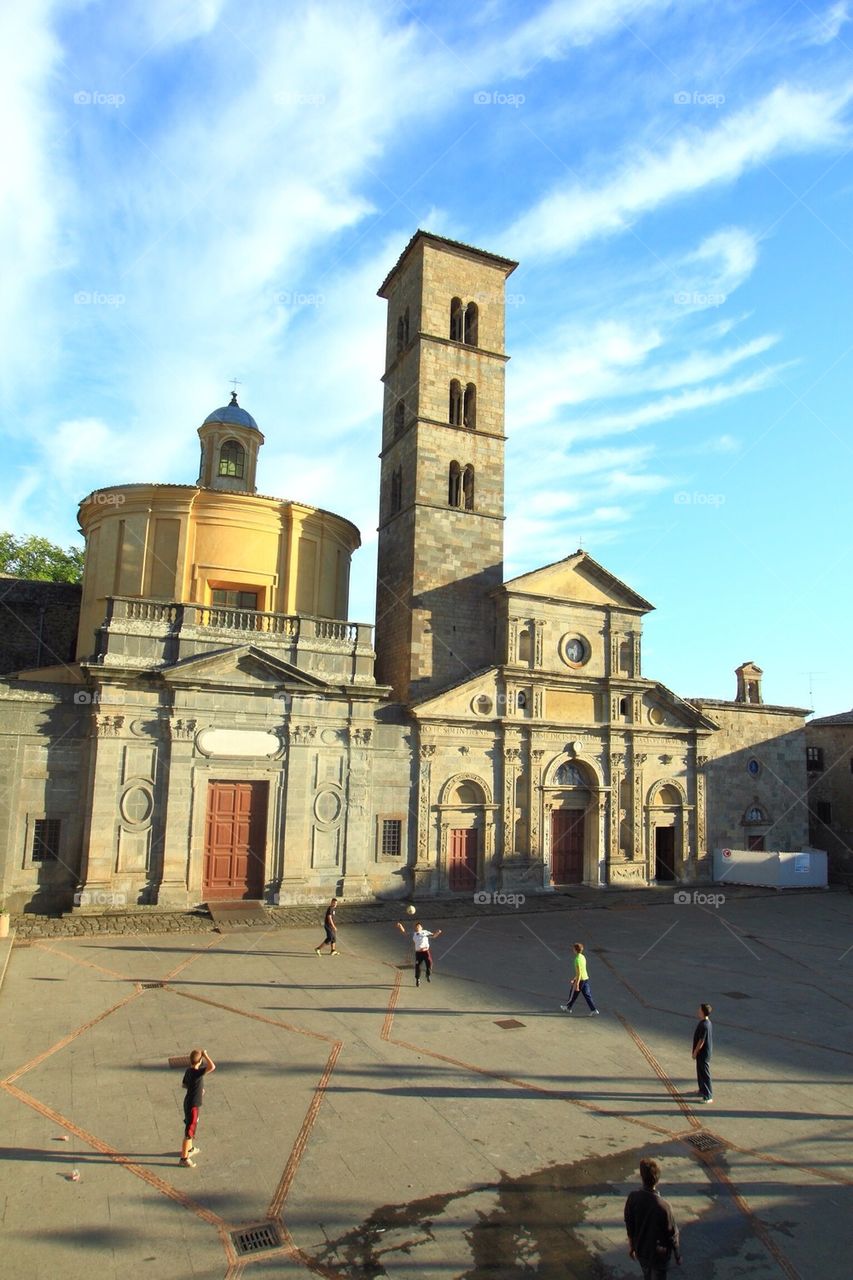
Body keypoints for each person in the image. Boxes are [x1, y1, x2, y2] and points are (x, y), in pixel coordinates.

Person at [624, 1157, 682, 1278]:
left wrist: (632, 1246)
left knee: (647, 1274)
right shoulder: (664, 1206)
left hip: (642, 1251)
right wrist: (677, 1256)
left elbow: (629, 1224)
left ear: (642, 1177)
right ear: (657, 1181)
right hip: (659, 1255)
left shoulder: (633, 1198)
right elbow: (672, 1235)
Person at [179, 1047, 215, 1168]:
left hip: (189, 1102)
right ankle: (184, 1159)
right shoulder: (197, 1072)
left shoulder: (188, 1071)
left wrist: (198, 1090)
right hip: (193, 1105)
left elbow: (184, 1085)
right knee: (188, 1132)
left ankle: (190, 1149)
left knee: (191, 1125)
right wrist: (205, 1055)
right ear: (200, 1062)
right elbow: (212, 1067)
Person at [396, 919, 443, 986]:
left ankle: (428, 974)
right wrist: (400, 926)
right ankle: (417, 979)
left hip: (426, 952)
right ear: (415, 928)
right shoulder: (413, 934)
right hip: (418, 953)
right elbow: (404, 933)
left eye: (419, 926)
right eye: (416, 926)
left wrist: (438, 932)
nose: (417, 927)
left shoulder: (425, 932)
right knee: (418, 966)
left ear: (421, 927)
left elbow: (434, 936)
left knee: (429, 963)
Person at [560, 942, 600, 1015]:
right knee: (587, 995)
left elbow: (579, 973)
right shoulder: (582, 957)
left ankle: (567, 1007)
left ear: (575, 950)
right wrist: (574, 979)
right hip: (586, 979)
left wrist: (577, 984)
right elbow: (582, 970)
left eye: (573, 948)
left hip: (581, 980)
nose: (572, 949)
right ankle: (594, 1010)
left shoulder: (577, 960)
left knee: (573, 994)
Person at [692, 1002, 713, 1103]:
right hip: (702, 1053)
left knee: (705, 1074)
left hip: (703, 1053)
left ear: (703, 1012)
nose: (698, 1011)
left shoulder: (705, 1025)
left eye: (699, 1010)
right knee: (700, 1072)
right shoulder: (705, 1022)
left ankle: (708, 1095)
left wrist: (695, 1051)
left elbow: (701, 1040)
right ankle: (702, 1089)